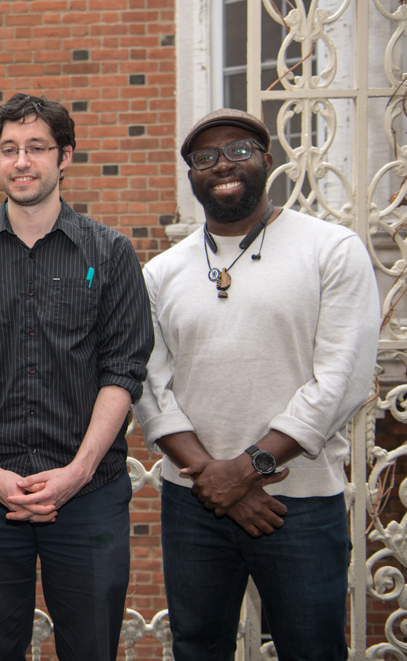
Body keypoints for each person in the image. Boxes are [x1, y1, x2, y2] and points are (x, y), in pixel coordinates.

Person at [135, 108, 379, 660]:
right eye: (205, 157)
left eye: (239, 151)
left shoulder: (331, 250)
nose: (223, 165)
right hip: (193, 502)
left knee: (311, 649)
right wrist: (215, 482)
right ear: (191, 174)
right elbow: (149, 386)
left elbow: (340, 379)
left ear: (267, 161)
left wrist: (244, 473)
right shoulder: (161, 272)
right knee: (197, 646)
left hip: (298, 503)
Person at [0, 93, 153, 661]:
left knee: (91, 648)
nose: (22, 161)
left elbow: (123, 370)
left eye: (36, 147)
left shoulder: (110, 255)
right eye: (9, 149)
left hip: (89, 495)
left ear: (66, 157)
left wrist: (77, 473)